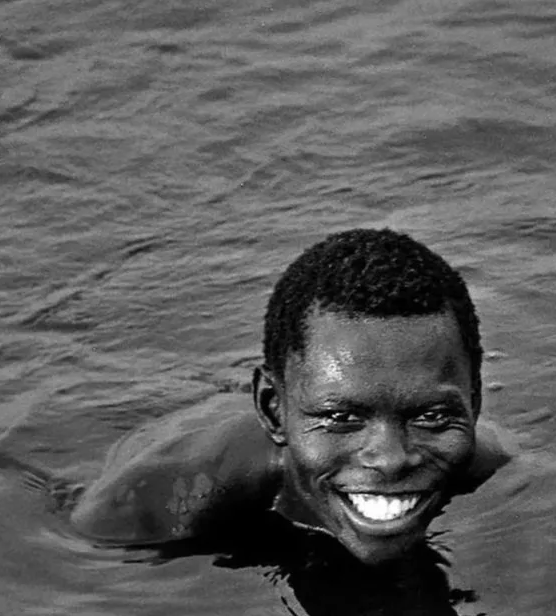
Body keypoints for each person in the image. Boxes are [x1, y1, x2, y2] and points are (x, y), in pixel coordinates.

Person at [70, 228, 514, 563]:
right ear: (272, 409)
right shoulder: (147, 509)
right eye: (342, 418)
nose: (392, 459)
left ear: (475, 399)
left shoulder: (490, 463)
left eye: (430, 416)